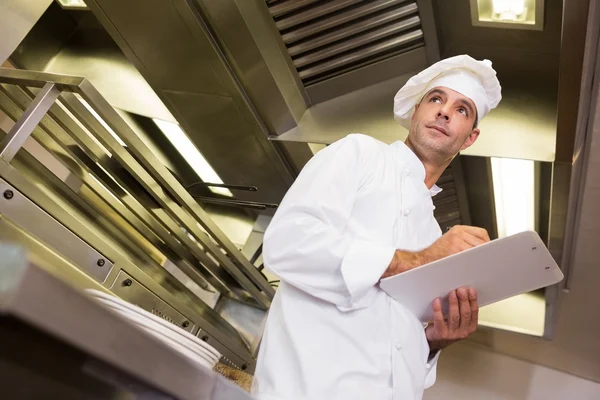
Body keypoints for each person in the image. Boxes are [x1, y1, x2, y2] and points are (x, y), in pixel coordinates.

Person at [252, 55, 502, 400]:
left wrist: (434, 340)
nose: (444, 111)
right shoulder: (360, 154)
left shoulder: (432, 232)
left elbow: (399, 342)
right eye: (436, 99)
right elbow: (287, 242)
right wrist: (418, 260)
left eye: (462, 109)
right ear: (416, 112)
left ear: (470, 138)